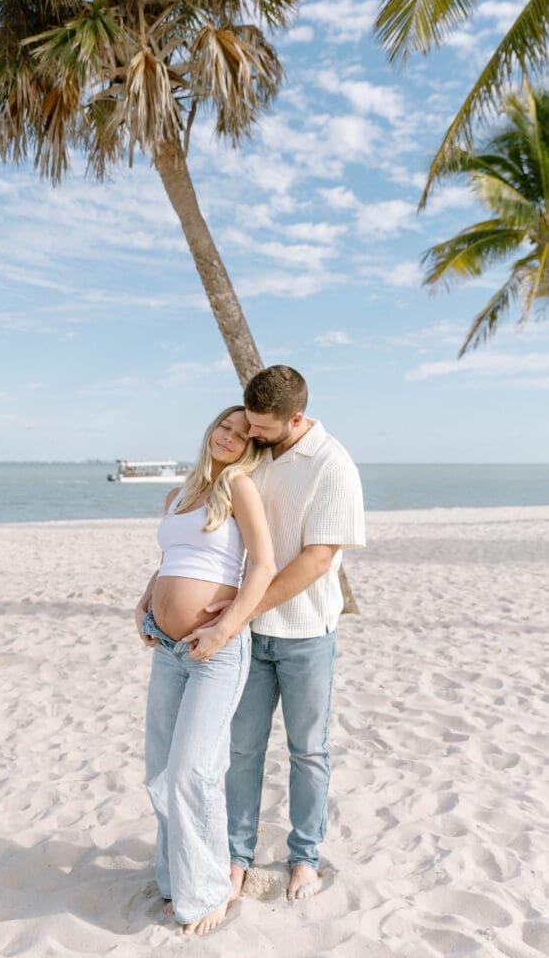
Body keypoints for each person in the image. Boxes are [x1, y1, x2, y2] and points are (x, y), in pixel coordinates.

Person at [188, 366, 365, 902]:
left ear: (296, 417)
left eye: (263, 427)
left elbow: (317, 560)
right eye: (249, 423)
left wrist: (241, 611)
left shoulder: (332, 464)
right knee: (243, 750)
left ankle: (305, 857)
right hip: (249, 635)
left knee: (307, 750)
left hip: (306, 634)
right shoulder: (255, 452)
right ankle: (236, 856)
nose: (253, 434)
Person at [134, 405, 276, 936]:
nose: (229, 437)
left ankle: (210, 890)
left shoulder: (239, 487)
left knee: (192, 772)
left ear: (249, 448)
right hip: (167, 648)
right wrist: (144, 602)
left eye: (241, 435)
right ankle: (176, 882)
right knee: (160, 772)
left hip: (215, 652)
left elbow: (263, 565)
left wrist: (223, 629)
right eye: (224, 426)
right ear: (212, 428)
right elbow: (172, 558)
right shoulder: (177, 495)